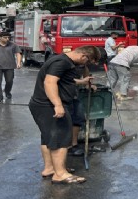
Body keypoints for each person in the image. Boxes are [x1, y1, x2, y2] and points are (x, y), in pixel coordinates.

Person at [28, 45, 100, 184]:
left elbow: (64, 80)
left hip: (42, 105)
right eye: (87, 61)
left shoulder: (61, 60)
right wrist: (58, 105)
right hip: (48, 106)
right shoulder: (62, 62)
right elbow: (50, 82)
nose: (85, 65)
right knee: (61, 138)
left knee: (48, 138)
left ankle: (50, 168)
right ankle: (60, 174)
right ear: (83, 56)